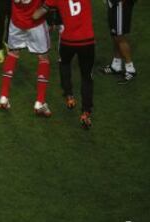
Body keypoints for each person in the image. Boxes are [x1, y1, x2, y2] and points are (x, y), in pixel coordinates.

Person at [33, 0, 95, 129]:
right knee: (86, 77)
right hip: (87, 41)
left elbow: (38, 14)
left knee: (64, 63)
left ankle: (69, 95)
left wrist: (27, 14)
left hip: (68, 40)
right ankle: (85, 113)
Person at [0, 0, 52, 117]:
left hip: (16, 22)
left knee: (13, 54)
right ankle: (40, 102)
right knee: (43, 58)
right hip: (36, 24)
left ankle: (4, 96)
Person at [99, 0, 137, 85]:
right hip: (114, 3)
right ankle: (116, 65)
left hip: (120, 4)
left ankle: (130, 69)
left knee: (120, 37)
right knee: (114, 34)